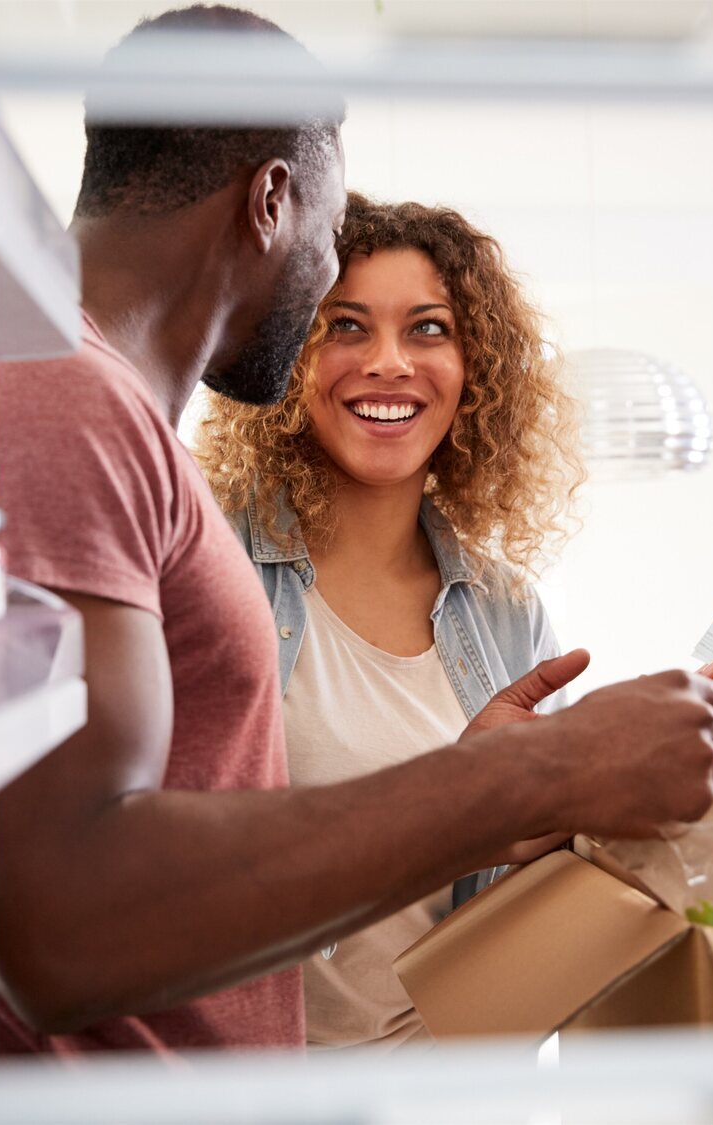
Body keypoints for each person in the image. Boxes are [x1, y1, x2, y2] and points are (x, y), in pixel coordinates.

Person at [0, 4, 713, 1058]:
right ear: (272, 201)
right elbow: (60, 928)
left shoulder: (90, 405)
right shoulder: (66, 398)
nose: (336, 310)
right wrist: (536, 773)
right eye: (332, 244)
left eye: (424, 330)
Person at [196, 194, 584, 1049]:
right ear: (291, 352)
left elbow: (545, 894)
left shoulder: (506, 611)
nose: (388, 363)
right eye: (345, 326)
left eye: (429, 329)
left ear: (475, 366)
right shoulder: (207, 562)